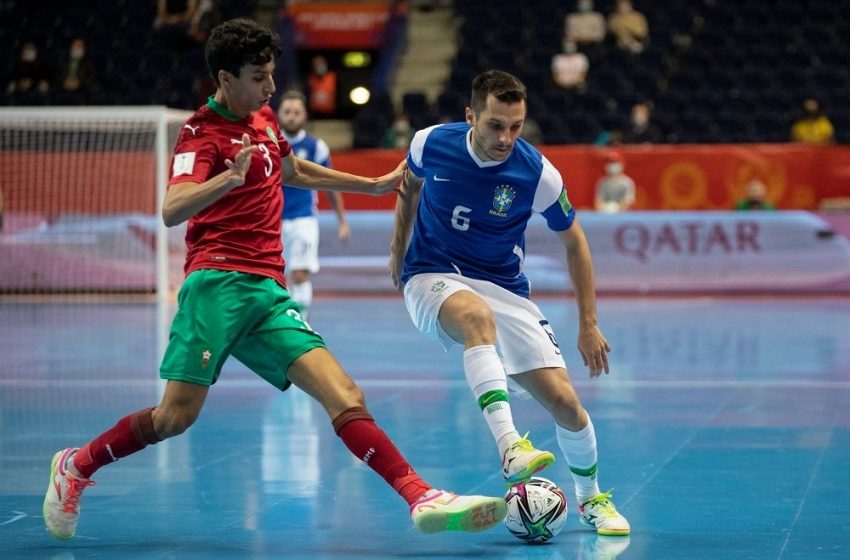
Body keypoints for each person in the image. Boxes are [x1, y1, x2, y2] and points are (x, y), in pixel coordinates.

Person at [42, 18, 506, 543]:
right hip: (216, 284)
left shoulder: (262, 118)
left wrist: (370, 186)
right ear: (225, 77)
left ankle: (420, 495)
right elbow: (172, 209)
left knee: (345, 393)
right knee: (174, 418)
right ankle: (76, 466)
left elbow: (293, 171)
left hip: (266, 292)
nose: (271, 87)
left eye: (271, 75)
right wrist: (227, 178)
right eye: (260, 77)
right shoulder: (201, 133)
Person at [388, 70, 630, 537]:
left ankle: (592, 500)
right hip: (431, 275)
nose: (506, 138)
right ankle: (510, 446)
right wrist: (398, 249)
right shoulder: (429, 143)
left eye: (516, 126)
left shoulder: (536, 172)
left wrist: (588, 323)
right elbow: (409, 186)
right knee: (475, 318)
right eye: (496, 125)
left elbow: (575, 242)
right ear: (470, 116)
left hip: (504, 287)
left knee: (566, 404)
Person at [277, 89, 350, 320]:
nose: (291, 116)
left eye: (296, 112)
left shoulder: (315, 146)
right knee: (276, 277)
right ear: (279, 114)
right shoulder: (269, 144)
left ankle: (302, 324)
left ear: (304, 116)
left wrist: (342, 221)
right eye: (287, 111)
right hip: (272, 221)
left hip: (303, 220)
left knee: (299, 274)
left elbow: (330, 184)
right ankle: (283, 323)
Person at [55, 38, 97, 102]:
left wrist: (79, 83)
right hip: (63, 88)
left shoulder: (89, 63)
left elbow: (91, 78)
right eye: (75, 46)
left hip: (82, 90)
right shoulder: (62, 60)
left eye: (80, 46)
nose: (77, 48)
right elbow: (56, 75)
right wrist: (64, 82)